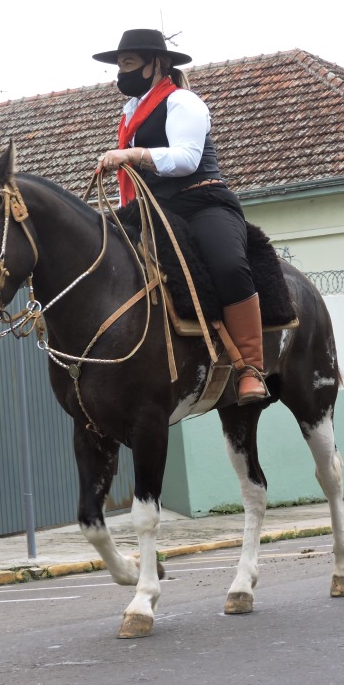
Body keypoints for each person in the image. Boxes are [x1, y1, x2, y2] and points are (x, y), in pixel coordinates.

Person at [92, 28, 266, 405]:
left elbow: (186, 159)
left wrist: (131, 156)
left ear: (157, 65)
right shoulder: (130, 114)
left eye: (129, 64)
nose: (121, 73)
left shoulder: (183, 101)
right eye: (119, 65)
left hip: (202, 202)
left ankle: (250, 367)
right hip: (155, 209)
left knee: (228, 265)